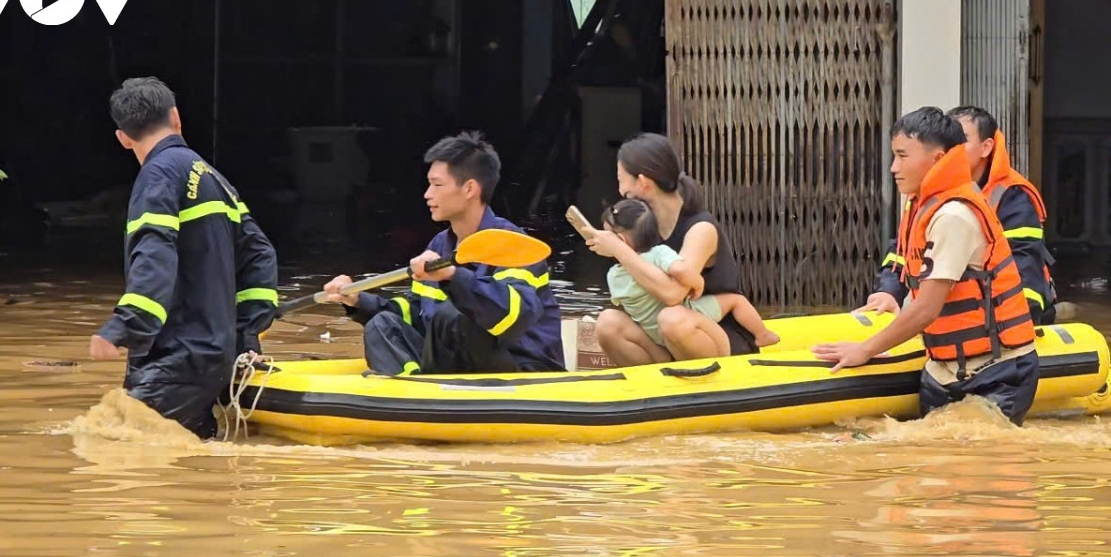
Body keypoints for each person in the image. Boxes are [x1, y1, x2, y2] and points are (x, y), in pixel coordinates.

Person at [813, 107, 1039, 425]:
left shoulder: (954, 215)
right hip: (942, 371)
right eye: (894, 156)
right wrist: (889, 291)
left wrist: (864, 349)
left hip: (995, 374)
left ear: (936, 160)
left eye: (903, 156)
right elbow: (904, 261)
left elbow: (926, 309)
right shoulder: (923, 205)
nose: (894, 167)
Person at [89, 77, 279, 439]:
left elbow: (154, 257)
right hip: (215, 357)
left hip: (177, 358)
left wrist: (124, 326)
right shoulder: (212, 176)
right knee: (187, 463)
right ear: (176, 118)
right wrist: (245, 334)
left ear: (123, 139)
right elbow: (259, 254)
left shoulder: (157, 176)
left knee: (111, 449)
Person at [321, 131, 565, 375]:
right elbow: (417, 315)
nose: (427, 194)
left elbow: (514, 318)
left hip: (521, 368)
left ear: (469, 189)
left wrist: (453, 276)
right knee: (381, 324)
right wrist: (357, 300)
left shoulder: (513, 244)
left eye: (437, 185)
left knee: (452, 317)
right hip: (459, 361)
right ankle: (413, 392)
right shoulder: (439, 245)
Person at [863, 106, 1057, 324]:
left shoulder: (1012, 197)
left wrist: (1020, 322)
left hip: (1001, 323)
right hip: (951, 319)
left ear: (986, 148)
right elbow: (904, 250)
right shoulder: (928, 194)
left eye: (961, 140)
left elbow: (1024, 263)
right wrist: (889, 292)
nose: (953, 149)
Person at [587, 133, 759, 365]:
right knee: (608, 323)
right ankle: (654, 389)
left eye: (621, 180)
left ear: (643, 181)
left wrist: (619, 249)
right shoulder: (646, 228)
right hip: (665, 335)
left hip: (717, 333)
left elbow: (673, 295)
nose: (620, 191)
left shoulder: (700, 229)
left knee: (673, 319)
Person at [602, 198, 779, 362]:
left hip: (656, 335)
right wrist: (697, 282)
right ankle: (762, 334)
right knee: (734, 299)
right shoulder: (659, 253)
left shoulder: (613, 276)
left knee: (668, 318)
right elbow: (680, 269)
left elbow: (626, 306)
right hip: (680, 319)